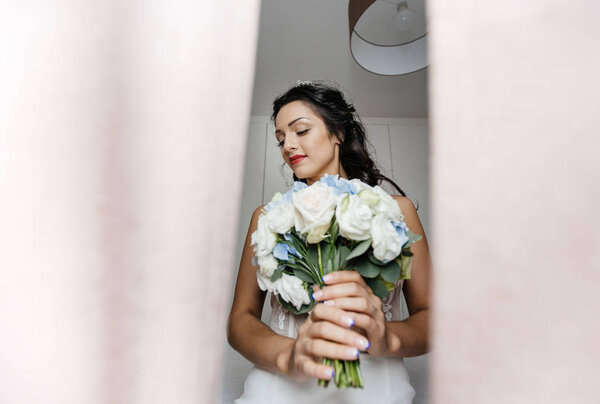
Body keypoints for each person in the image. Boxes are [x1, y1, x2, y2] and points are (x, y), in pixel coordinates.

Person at [227, 81, 431, 403]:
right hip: (279, 390)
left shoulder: (396, 211)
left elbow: (430, 316)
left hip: (375, 388)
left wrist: (387, 338)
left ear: (338, 133)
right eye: (281, 139)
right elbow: (240, 321)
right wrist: (288, 357)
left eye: (300, 131)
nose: (288, 146)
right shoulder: (267, 218)